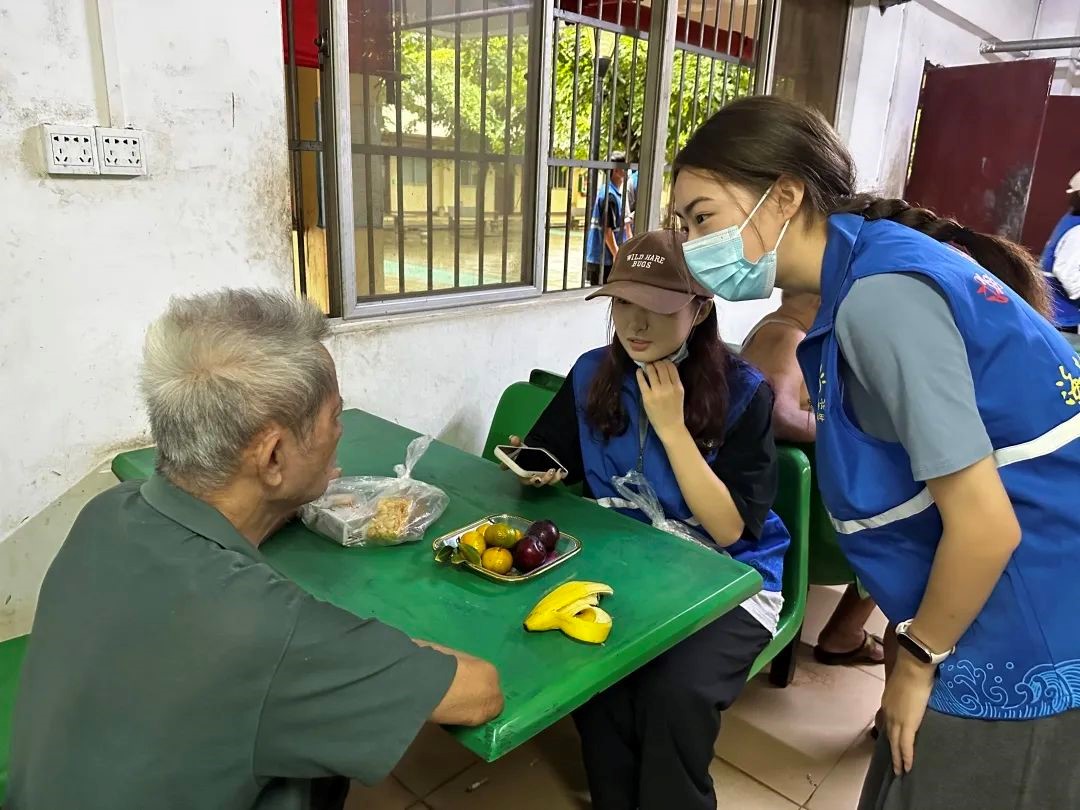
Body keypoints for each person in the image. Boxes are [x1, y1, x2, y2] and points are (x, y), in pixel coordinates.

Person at [672, 95, 1080, 810]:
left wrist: (917, 660)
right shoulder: (867, 276)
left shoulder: (880, 300)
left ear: (785, 196)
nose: (692, 242)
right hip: (993, 608)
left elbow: (987, 526)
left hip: (1025, 629)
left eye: (702, 217)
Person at [5, 290, 503, 810]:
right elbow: (479, 693)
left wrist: (288, 498)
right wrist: (374, 655)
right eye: (335, 416)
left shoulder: (108, 513)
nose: (341, 431)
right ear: (271, 456)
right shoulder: (266, 629)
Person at [512, 229, 791, 810]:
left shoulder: (743, 393)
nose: (635, 325)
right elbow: (551, 453)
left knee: (674, 692)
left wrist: (672, 428)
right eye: (623, 305)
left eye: (658, 309)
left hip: (728, 578)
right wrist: (541, 470)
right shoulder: (594, 372)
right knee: (595, 670)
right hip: (631, 562)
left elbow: (731, 531)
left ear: (700, 307)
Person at [741, 293, 886, 668]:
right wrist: (850, 432)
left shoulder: (788, 331)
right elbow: (781, 415)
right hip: (802, 520)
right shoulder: (788, 338)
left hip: (785, 500)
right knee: (908, 534)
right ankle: (844, 635)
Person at [1040, 170, 1080, 334]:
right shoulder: (1077, 229)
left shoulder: (1071, 219)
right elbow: (1066, 272)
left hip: (1054, 312)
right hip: (1060, 316)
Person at [585, 154, 628, 285]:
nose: (628, 171)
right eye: (625, 167)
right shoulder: (609, 196)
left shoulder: (610, 192)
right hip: (604, 259)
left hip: (602, 257)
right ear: (616, 171)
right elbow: (607, 230)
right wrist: (617, 254)